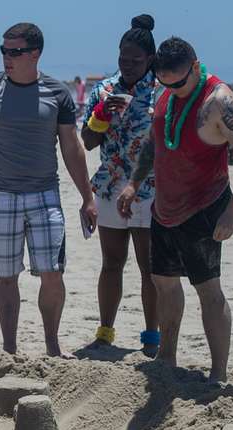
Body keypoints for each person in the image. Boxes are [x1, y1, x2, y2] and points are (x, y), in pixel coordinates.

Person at [0, 22, 98, 357]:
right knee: (7, 275)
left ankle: (52, 345)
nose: (7, 58)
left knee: (52, 273)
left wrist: (87, 197)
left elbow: (72, 148)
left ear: (35, 53)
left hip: (45, 195)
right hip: (0, 195)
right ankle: (10, 349)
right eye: (4, 51)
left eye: (15, 52)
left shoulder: (56, 93)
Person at [117, 37, 233, 383]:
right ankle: (167, 357)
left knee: (208, 289)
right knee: (163, 283)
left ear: (196, 67)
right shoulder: (165, 90)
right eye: (166, 83)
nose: (174, 89)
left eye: (180, 82)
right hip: (164, 207)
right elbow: (156, 139)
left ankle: (218, 374)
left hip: (205, 208)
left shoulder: (219, 101)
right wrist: (135, 183)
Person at [80, 15, 160, 356]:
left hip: (151, 190)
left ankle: (151, 339)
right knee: (112, 262)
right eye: (123, 59)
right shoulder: (105, 89)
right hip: (112, 186)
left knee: (150, 267)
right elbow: (87, 141)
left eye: (135, 61)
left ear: (150, 61)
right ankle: (105, 333)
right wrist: (101, 115)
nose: (127, 66)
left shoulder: (162, 92)